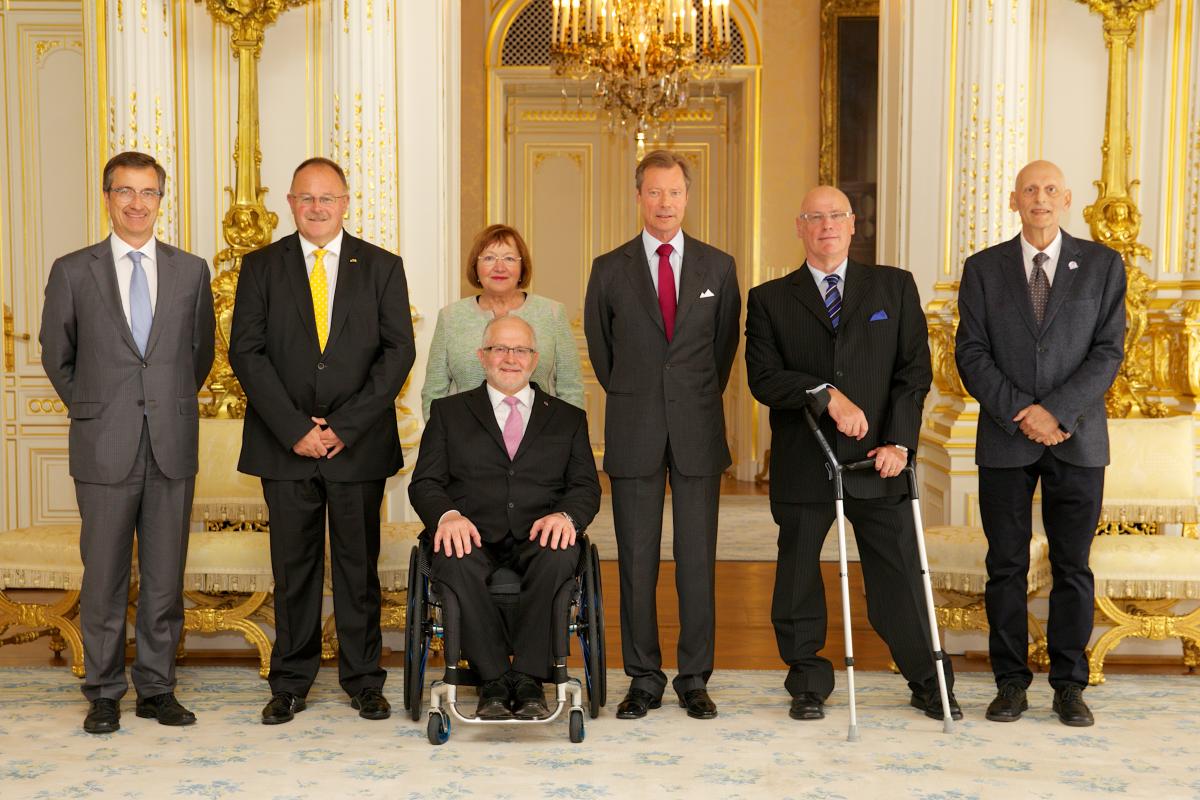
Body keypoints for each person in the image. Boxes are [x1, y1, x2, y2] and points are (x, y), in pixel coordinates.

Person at [744, 185, 959, 723]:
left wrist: (901, 443)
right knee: (797, 578)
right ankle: (808, 682)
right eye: (814, 217)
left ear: (852, 222)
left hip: (880, 458)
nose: (826, 226)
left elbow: (913, 373)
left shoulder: (894, 286)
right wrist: (826, 395)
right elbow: (764, 378)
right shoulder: (770, 298)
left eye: (835, 215)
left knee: (900, 576)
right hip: (804, 459)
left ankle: (929, 682)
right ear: (799, 227)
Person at [229, 157, 416, 724]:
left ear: (345, 202)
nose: (316, 207)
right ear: (290, 203)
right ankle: (290, 682)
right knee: (294, 569)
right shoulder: (261, 265)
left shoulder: (382, 266)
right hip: (283, 445)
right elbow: (246, 351)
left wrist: (343, 427)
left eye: (327, 198)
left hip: (355, 445)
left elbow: (397, 353)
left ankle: (364, 680)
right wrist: (295, 429)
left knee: (358, 568)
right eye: (306, 198)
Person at [40, 151, 215, 734]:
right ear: (108, 197)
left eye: (149, 192)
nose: (138, 203)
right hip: (103, 444)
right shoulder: (72, 270)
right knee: (105, 576)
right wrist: (98, 408)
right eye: (126, 191)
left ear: (162, 200)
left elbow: (199, 355)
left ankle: (158, 689)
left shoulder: (191, 270)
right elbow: (56, 356)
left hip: (171, 443)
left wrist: (161, 406)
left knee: (166, 576)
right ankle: (104, 691)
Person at [956, 160, 1125, 727]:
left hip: (1077, 439)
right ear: (1013, 201)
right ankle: (1009, 683)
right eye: (1030, 189)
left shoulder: (1102, 265)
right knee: (1005, 564)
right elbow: (971, 354)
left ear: (1067, 199)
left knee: (1073, 565)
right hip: (1006, 438)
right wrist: (1021, 412)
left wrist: (1055, 411)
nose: (1040, 198)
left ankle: (1070, 686)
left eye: (1051, 189)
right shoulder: (983, 269)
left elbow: (1108, 352)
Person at [583, 150, 741, 720]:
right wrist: (640, 396)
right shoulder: (609, 268)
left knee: (698, 559)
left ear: (687, 197)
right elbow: (605, 355)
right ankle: (644, 677)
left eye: (674, 192)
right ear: (638, 197)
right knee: (636, 559)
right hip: (634, 428)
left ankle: (695, 678)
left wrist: (686, 396)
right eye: (654, 192)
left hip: (698, 429)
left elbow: (722, 353)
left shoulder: (719, 268)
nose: (664, 203)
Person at [409, 316, 600, 719]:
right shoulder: (449, 413)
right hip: (471, 534)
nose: (510, 358)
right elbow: (425, 482)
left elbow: (586, 487)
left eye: (521, 350)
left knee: (559, 554)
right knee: (454, 557)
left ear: (535, 360)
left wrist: (567, 516)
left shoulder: (568, 418)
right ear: (482, 356)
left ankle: (529, 678)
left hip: (540, 535)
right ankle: (493, 679)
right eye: (499, 348)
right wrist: (447, 515)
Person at [421, 224, 584, 420]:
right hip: (465, 440)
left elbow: (571, 389)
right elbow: (434, 392)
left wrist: (562, 440)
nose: (499, 267)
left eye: (509, 258)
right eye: (489, 258)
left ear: (522, 267)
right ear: (475, 266)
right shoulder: (450, 317)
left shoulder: (552, 313)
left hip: (540, 439)